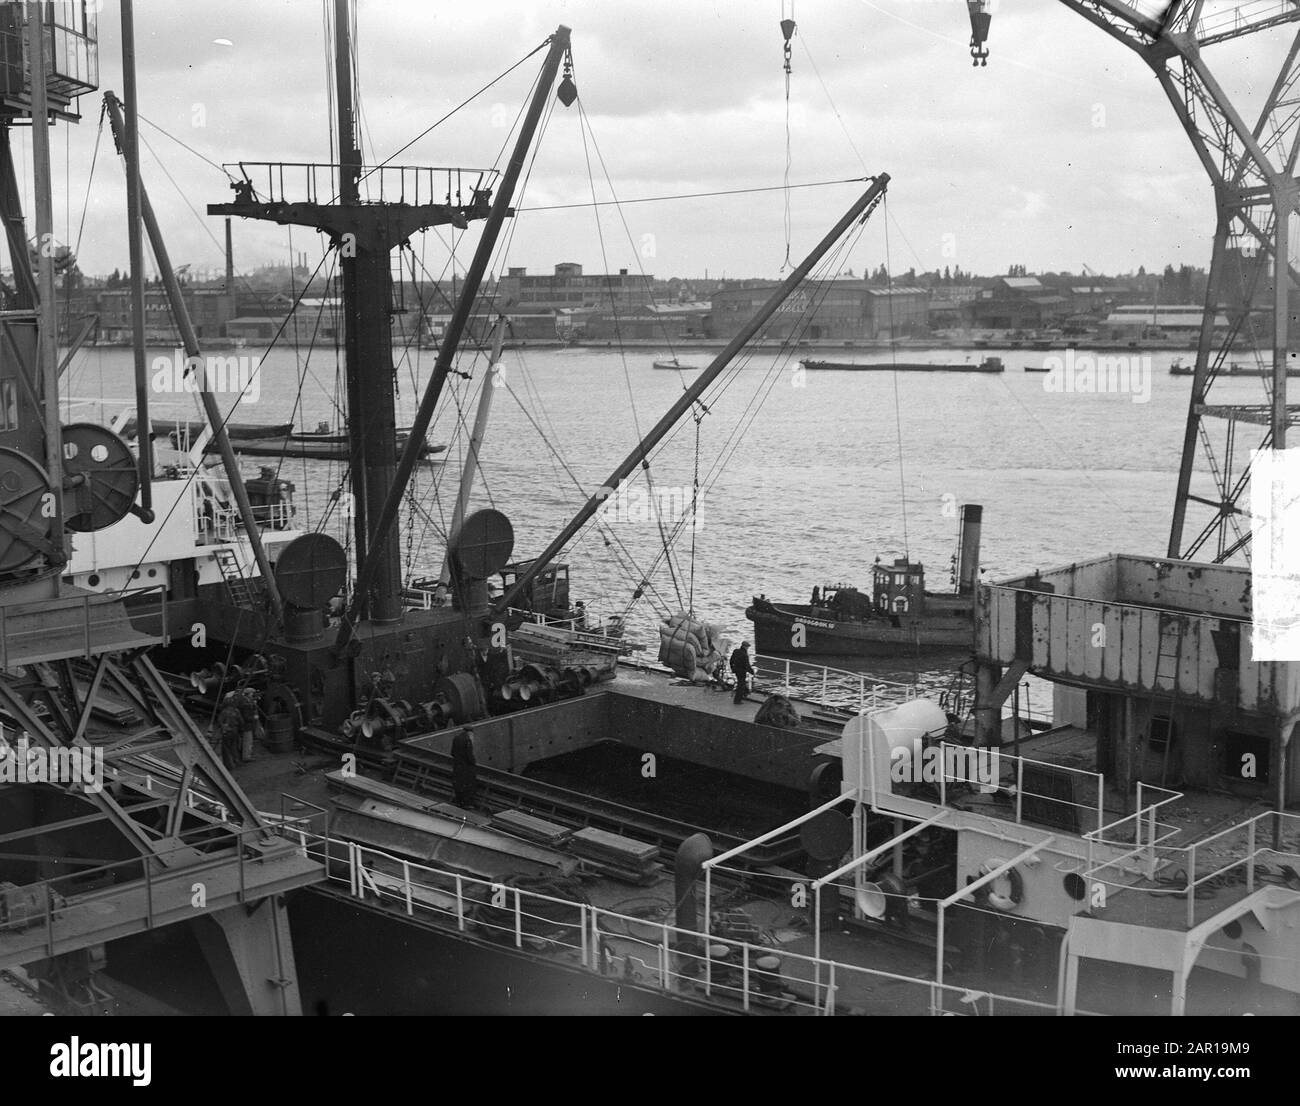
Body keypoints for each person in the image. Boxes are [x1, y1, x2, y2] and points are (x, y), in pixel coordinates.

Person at [451, 725, 479, 810]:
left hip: (457, 766)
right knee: (468, 785)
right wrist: (473, 763)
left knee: (458, 784)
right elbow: (469, 755)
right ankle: (467, 804)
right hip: (466, 768)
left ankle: (458, 802)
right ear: (470, 732)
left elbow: (452, 752)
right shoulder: (467, 740)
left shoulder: (456, 738)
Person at [215, 692, 244, 771]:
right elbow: (241, 721)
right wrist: (241, 729)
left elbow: (219, 721)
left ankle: (229, 765)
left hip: (227, 732)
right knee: (234, 747)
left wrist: (222, 727)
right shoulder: (236, 711)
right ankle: (236, 761)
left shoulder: (224, 712)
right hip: (235, 731)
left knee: (226, 748)